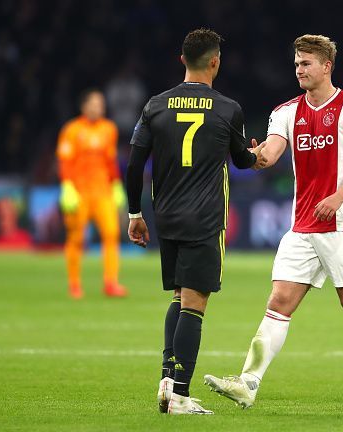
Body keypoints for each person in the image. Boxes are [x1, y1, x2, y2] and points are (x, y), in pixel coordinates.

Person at [204, 34, 343, 411]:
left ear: (327, 66)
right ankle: (248, 383)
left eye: (306, 63)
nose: (299, 70)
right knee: (279, 301)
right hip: (302, 227)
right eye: (296, 64)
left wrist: (339, 197)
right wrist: (251, 154)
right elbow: (270, 154)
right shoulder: (286, 112)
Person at [125, 28, 266, 415]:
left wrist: (136, 213)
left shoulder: (155, 105)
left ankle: (167, 382)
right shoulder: (227, 109)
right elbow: (241, 161)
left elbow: (135, 164)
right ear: (215, 62)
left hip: (166, 216)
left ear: (181, 59)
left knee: (178, 297)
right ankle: (180, 396)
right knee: (195, 303)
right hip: (204, 218)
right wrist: (256, 154)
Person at [56, 89, 128, 299]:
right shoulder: (71, 130)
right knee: (76, 239)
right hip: (79, 193)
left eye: (101, 104)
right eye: (94, 104)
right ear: (84, 106)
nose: (99, 107)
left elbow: (110, 161)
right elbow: (65, 161)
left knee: (111, 235)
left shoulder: (109, 129)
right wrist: (67, 187)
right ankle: (75, 284)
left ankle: (111, 283)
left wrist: (116, 186)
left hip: (103, 192)